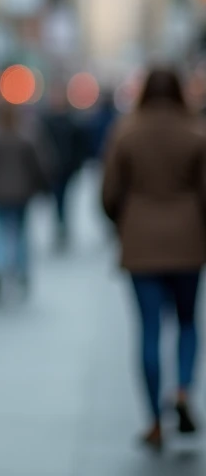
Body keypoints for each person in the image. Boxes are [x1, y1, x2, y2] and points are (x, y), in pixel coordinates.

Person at [101, 67, 206, 453]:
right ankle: (181, 390)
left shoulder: (126, 132)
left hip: (141, 241)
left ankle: (153, 421)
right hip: (188, 241)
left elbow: (110, 192)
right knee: (186, 321)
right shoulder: (196, 132)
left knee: (148, 329)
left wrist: (124, 221)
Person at [0, 102, 52, 303]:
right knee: (21, 233)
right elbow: (40, 164)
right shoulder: (27, 135)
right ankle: (21, 271)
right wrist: (42, 186)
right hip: (22, 193)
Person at [41, 85, 89, 251]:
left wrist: (77, 165)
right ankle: (59, 226)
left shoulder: (72, 121)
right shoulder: (46, 121)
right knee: (56, 200)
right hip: (53, 169)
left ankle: (62, 227)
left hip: (67, 168)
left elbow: (79, 146)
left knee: (64, 199)